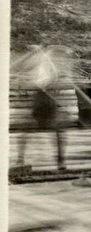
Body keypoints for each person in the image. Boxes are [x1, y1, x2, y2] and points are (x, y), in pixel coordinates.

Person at [17, 44, 72, 172]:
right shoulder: (37, 62)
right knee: (26, 128)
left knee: (59, 130)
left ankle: (60, 160)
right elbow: (26, 71)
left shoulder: (48, 63)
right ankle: (20, 159)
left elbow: (52, 77)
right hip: (40, 101)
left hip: (49, 102)